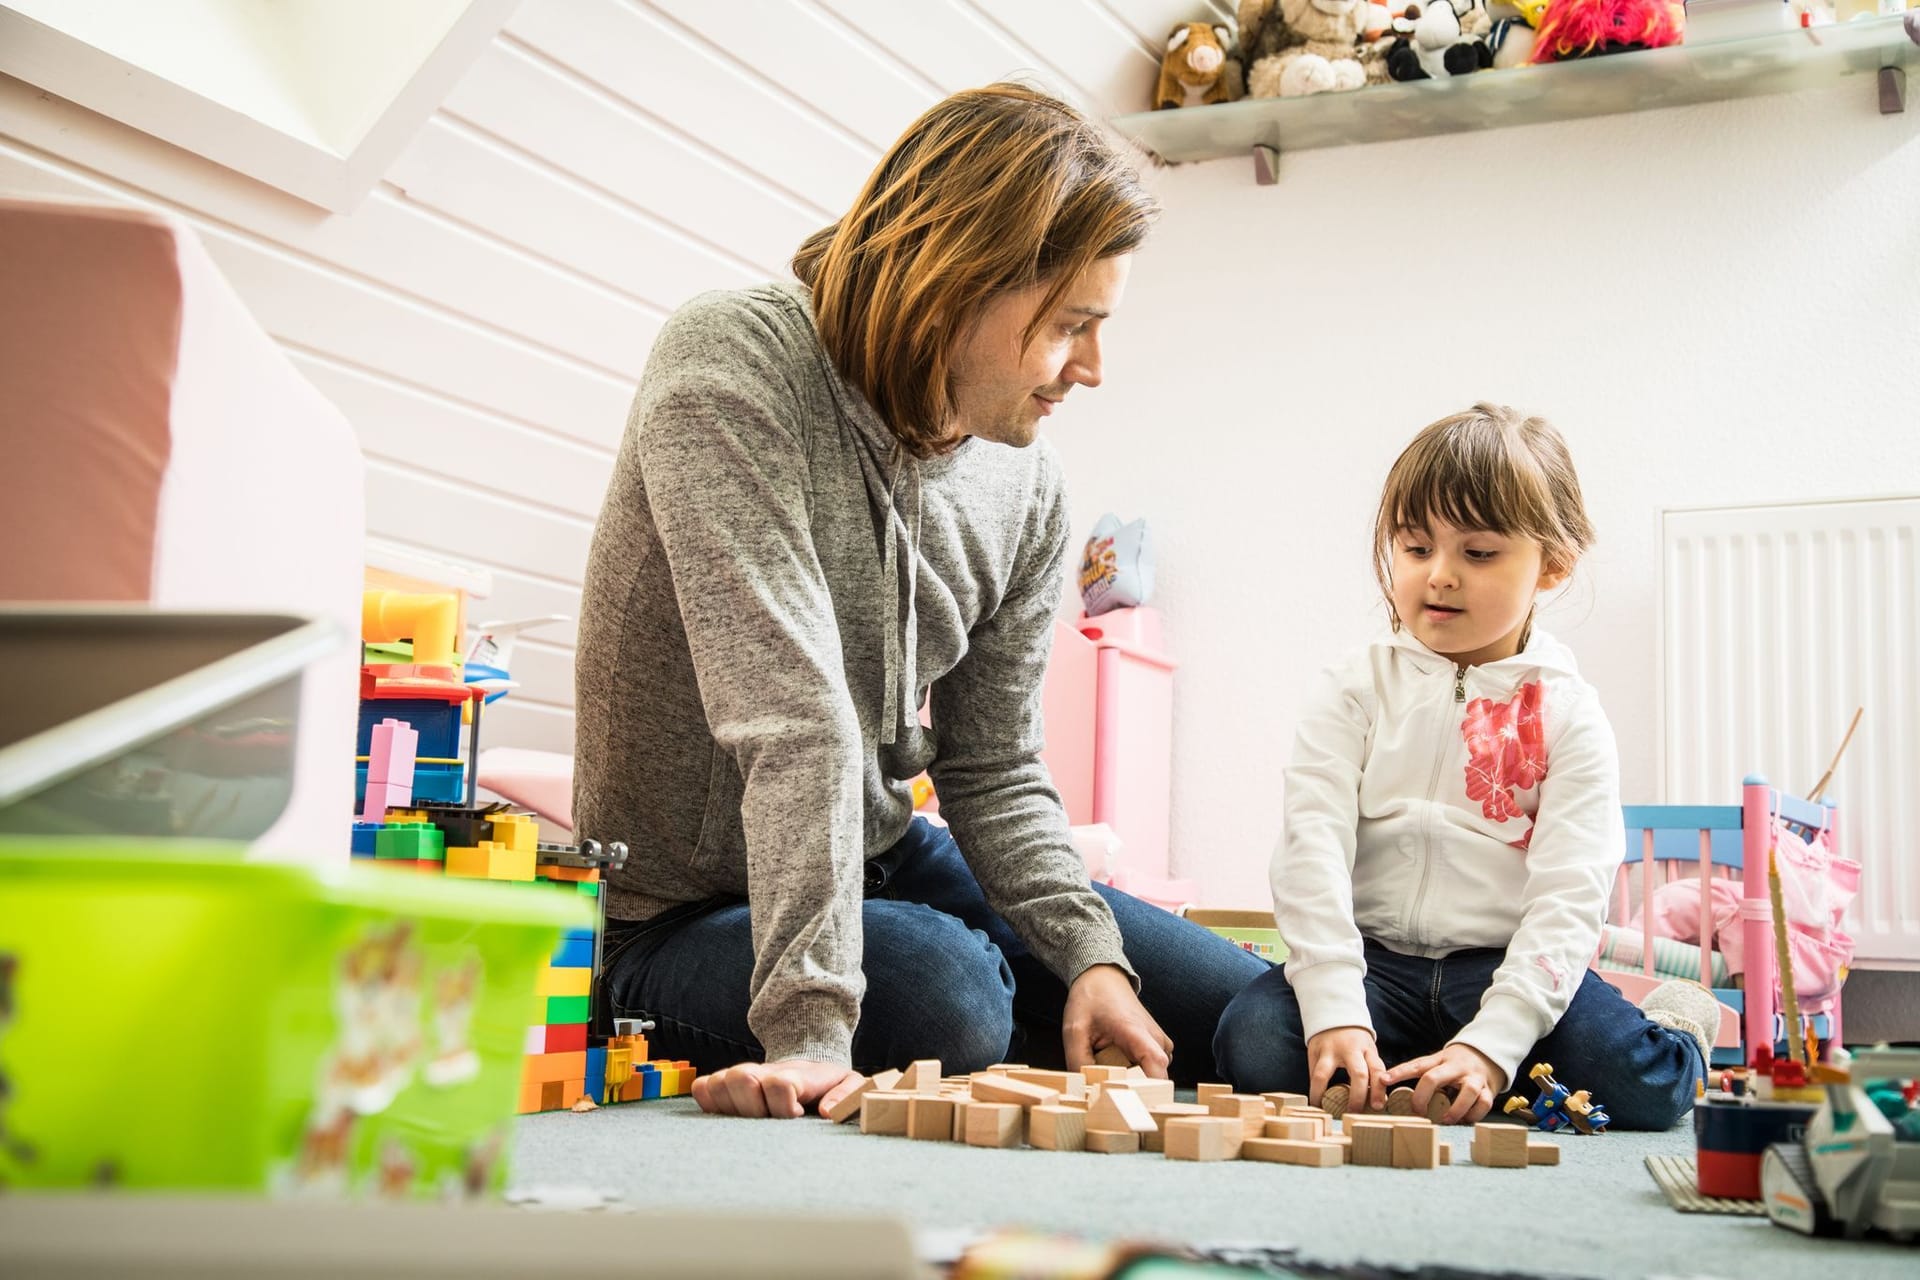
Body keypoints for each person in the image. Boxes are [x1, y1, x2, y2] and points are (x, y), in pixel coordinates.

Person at [572, 83, 1269, 1120]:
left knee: (1254, 1019)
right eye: (1071, 325)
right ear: (959, 282)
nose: (1092, 368)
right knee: (945, 996)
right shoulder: (730, 361)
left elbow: (993, 761)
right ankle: (962, 1006)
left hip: (886, 857)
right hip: (679, 915)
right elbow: (793, 715)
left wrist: (1087, 953)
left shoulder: (1026, 483)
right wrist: (808, 1032)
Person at [1213, 404, 1722, 1129]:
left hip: (1503, 965)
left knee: (1641, 1086)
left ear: (1552, 564)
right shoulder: (1353, 687)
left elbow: (1569, 897)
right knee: (1254, 1043)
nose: (1440, 577)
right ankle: (1420, 1057)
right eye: (1416, 549)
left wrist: (1495, 1042)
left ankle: (1678, 1025)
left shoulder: (1569, 714)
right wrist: (1334, 1010)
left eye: (1477, 554)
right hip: (1376, 964)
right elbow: (1311, 850)